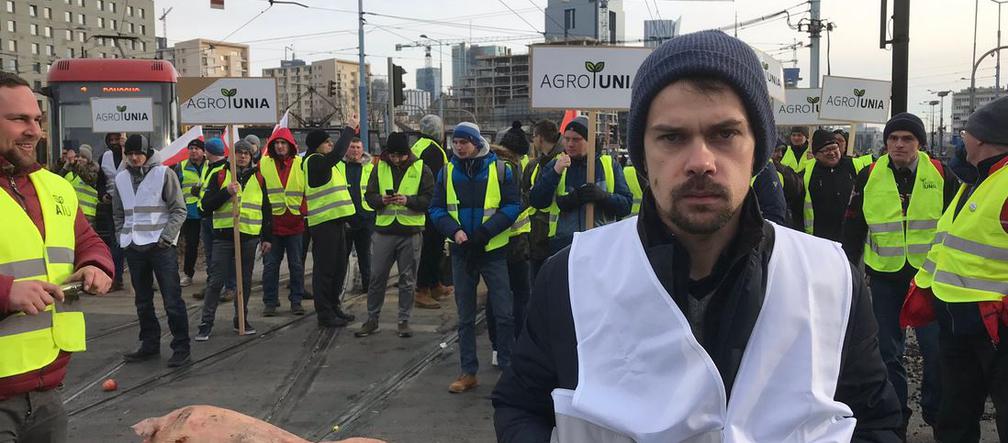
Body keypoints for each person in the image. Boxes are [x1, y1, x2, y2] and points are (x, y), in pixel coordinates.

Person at [492, 30, 902, 442]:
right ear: (643, 152)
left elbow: (875, 423)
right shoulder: (569, 277)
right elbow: (522, 406)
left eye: (724, 134)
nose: (701, 162)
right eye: (672, 137)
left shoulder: (832, 281)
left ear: (757, 149)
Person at [0, 72, 113, 441]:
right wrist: (7, 292)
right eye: (19, 119)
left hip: (47, 389)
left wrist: (96, 265)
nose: (33, 130)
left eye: (36, 120)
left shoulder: (55, 186)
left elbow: (87, 240)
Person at [841, 112, 956, 439]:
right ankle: (896, 418)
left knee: (935, 352)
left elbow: (959, 224)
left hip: (929, 280)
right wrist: (846, 270)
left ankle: (936, 413)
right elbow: (852, 224)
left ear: (920, 143)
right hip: (885, 278)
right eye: (893, 139)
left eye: (907, 139)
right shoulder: (868, 175)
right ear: (885, 142)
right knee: (888, 354)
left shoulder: (941, 174)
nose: (899, 145)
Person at [902, 96, 1008, 443]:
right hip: (957, 318)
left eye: (966, 131)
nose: (961, 138)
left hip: (995, 323)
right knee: (955, 415)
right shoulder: (974, 181)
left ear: (983, 139)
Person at [429, 122, 520, 394]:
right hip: (462, 252)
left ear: (477, 143)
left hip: (492, 250)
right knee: (465, 316)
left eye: (463, 142)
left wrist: (484, 233)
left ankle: (508, 368)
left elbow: (513, 205)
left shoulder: (501, 169)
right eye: (455, 143)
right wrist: (455, 232)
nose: (458, 147)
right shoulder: (447, 172)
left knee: (504, 313)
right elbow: (436, 209)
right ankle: (468, 371)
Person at [111, 134, 190, 367]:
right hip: (134, 247)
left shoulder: (164, 174)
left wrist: (166, 239)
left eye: (139, 154)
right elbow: (118, 213)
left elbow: (179, 210)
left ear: (148, 153)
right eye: (130, 154)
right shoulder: (122, 178)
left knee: (172, 300)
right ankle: (149, 343)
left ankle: (181, 347)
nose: (134, 158)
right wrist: (121, 237)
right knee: (142, 300)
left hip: (160, 247)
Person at [354, 132, 433, 338]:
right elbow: (369, 196)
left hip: (410, 231)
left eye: (400, 155)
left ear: (407, 153)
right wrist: (382, 200)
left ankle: (403, 321)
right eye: (392, 155)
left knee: (408, 279)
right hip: (384, 231)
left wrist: (408, 200)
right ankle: (372, 319)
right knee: (377, 277)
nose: (395, 159)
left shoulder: (421, 168)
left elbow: (429, 199)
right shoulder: (379, 167)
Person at [195, 139, 272, 341]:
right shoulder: (220, 175)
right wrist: (225, 192)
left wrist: (267, 237)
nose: (243, 156)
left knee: (244, 282)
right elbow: (205, 207)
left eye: (247, 153)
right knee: (216, 281)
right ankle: (206, 322)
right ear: (232, 154)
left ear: (251, 156)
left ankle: (241, 319)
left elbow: (266, 209)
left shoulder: (259, 178)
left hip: (249, 237)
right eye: (239, 152)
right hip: (224, 237)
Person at [528, 115, 633, 255]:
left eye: (576, 139)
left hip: (602, 244)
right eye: (567, 139)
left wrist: (603, 197)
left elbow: (626, 205)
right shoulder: (557, 164)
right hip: (563, 244)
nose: (570, 144)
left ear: (590, 141)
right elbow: (537, 200)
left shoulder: (609, 165)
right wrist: (554, 174)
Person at [303, 118, 359, 328]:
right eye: (327, 142)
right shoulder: (314, 161)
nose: (330, 145)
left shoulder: (325, 162)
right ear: (317, 145)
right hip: (323, 224)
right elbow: (337, 154)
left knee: (338, 269)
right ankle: (324, 313)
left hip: (336, 223)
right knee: (325, 271)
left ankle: (334, 306)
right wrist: (349, 130)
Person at [485, 127, 533, 368]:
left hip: (492, 239)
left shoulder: (488, 163)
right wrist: (529, 197)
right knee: (520, 294)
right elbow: (514, 204)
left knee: (496, 295)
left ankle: (496, 347)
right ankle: (513, 345)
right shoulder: (509, 168)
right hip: (513, 240)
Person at [259, 128, 307, 316]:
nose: (279, 146)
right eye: (276, 143)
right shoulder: (263, 164)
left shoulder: (300, 163)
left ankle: (296, 301)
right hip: (272, 225)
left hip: (295, 223)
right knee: (270, 266)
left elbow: (307, 190)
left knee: (296, 265)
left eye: (283, 143)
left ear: (290, 145)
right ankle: (270, 302)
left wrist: (303, 210)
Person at [800, 129, 870, 241]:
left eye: (834, 148)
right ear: (816, 155)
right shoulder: (807, 173)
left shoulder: (855, 165)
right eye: (826, 150)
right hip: (821, 238)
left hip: (853, 237)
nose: (832, 153)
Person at [412, 114, 451, 309]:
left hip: (421, 205)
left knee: (434, 247)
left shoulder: (419, 145)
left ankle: (435, 284)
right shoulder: (433, 151)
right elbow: (437, 182)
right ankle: (423, 289)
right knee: (431, 247)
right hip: (431, 207)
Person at [525, 119, 564, 279]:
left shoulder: (561, 160)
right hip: (538, 232)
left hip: (550, 233)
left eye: (533, 137)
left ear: (539, 138)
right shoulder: (539, 163)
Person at [338, 136, 374, 296]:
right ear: (347, 149)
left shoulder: (370, 168)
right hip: (345, 219)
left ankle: (369, 287)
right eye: (352, 147)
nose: (355, 150)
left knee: (365, 255)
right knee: (341, 257)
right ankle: (338, 287)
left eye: (358, 148)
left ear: (363, 150)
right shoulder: (339, 166)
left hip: (365, 218)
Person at [175, 139, 209, 288]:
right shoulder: (181, 166)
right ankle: (188, 274)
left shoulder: (210, 165)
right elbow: (175, 188)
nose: (193, 151)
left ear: (203, 151)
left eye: (197, 148)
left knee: (211, 246)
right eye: (191, 148)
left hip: (208, 211)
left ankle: (212, 275)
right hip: (191, 213)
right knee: (191, 245)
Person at [97, 131, 127, 291]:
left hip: (129, 203)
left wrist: (125, 148)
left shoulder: (130, 154)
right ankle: (117, 278)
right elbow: (100, 181)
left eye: (117, 139)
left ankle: (145, 279)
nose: (114, 142)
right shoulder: (104, 157)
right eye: (111, 140)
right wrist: (102, 195)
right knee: (116, 242)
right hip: (111, 205)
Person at [62, 144, 100, 225]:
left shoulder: (93, 171)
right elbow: (58, 179)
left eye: (83, 157)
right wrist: (66, 165)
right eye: (78, 156)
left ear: (88, 160)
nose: (79, 159)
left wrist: (75, 165)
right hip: (70, 211)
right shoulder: (72, 172)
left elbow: (88, 178)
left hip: (87, 214)